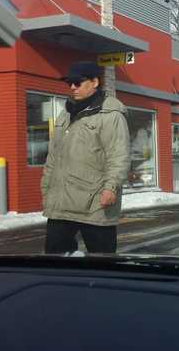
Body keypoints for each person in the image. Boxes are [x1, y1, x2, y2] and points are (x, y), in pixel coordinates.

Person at [41, 61, 130, 254]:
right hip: (61, 203)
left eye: (77, 82)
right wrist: (46, 186)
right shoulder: (66, 114)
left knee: (102, 264)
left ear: (95, 82)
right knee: (55, 260)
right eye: (70, 83)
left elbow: (119, 156)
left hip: (96, 204)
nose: (72, 87)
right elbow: (53, 155)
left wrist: (111, 188)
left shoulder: (110, 115)